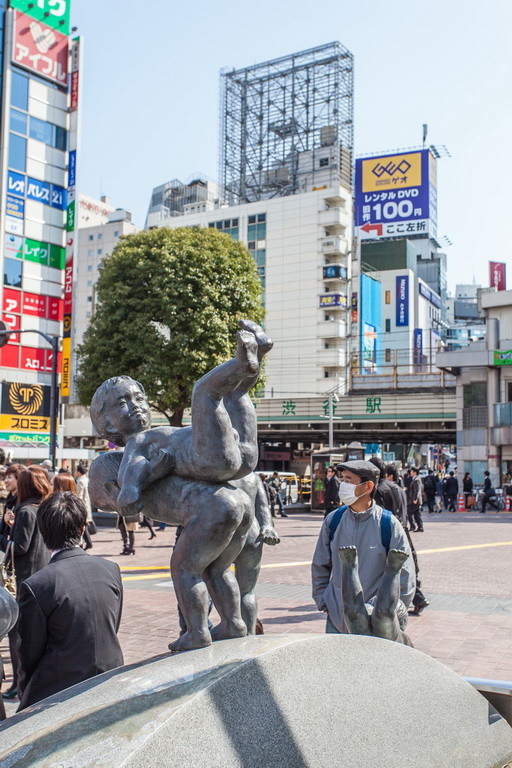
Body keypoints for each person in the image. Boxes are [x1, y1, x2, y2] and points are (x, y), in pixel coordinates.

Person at [90, 320, 272, 514]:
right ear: (108, 424)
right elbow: (132, 474)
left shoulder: (152, 437)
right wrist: (134, 487)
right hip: (212, 461)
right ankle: (242, 364)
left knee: (236, 394)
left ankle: (259, 350)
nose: (136, 405)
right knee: (202, 391)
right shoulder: (137, 442)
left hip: (241, 454)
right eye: (122, 403)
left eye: (139, 398)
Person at [16, 492, 123, 710]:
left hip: (59, 686)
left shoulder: (37, 585)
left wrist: (24, 688)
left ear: (44, 533)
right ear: (83, 528)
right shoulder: (111, 569)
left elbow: (28, 654)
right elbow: (112, 625)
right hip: (111, 673)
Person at [311, 460, 415, 635]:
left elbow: (404, 573)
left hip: (374, 625)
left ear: (368, 487)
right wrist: (324, 601)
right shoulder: (333, 521)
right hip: (337, 620)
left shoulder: (388, 524)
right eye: (342, 479)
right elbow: (320, 564)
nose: (342, 484)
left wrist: (390, 613)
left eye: (349, 480)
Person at [1, 466, 51, 701]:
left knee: (16, 633)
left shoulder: (24, 511)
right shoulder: (43, 508)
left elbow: (19, 547)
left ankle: (18, 685)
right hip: (41, 573)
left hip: (23, 578)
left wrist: (5, 536)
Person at [75, 464, 94, 549]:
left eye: (76, 471)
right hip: (87, 505)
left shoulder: (80, 481)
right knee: (84, 525)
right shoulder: (87, 480)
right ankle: (88, 543)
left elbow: (79, 495)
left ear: (79, 472)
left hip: (82, 506)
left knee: (82, 525)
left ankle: (85, 543)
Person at [407, 466, 424, 532]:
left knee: (409, 512)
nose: (410, 472)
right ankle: (420, 527)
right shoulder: (415, 479)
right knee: (417, 514)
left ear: (415, 472)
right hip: (415, 500)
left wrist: (415, 499)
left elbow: (417, 490)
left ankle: (413, 526)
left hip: (415, 500)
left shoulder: (417, 480)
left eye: (411, 471)